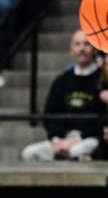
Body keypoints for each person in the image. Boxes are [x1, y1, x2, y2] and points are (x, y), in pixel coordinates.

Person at [21, 29, 101, 162]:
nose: (82, 49)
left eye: (87, 44)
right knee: (29, 153)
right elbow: (49, 115)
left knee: (76, 151)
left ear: (95, 49)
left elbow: (100, 119)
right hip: (61, 139)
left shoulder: (101, 80)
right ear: (71, 49)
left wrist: (75, 140)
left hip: (88, 138)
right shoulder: (61, 80)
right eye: (77, 44)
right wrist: (57, 140)